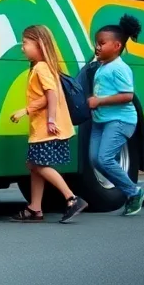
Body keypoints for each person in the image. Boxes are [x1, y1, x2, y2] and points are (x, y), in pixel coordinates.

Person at [9, 25, 87, 223]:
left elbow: (50, 95)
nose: (22, 47)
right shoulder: (41, 66)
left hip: (46, 127)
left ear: (39, 44)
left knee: (37, 165)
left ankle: (71, 198)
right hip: (41, 128)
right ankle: (35, 208)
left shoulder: (41, 67)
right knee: (35, 165)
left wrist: (31, 112)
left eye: (25, 43)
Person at [88, 15, 144, 216]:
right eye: (96, 43)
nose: (97, 47)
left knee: (103, 158)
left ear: (117, 45)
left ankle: (134, 191)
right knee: (95, 160)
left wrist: (98, 101)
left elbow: (128, 96)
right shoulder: (103, 66)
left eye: (102, 43)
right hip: (101, 121)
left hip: (120, 120)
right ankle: (132, 192)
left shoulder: (120, 68)